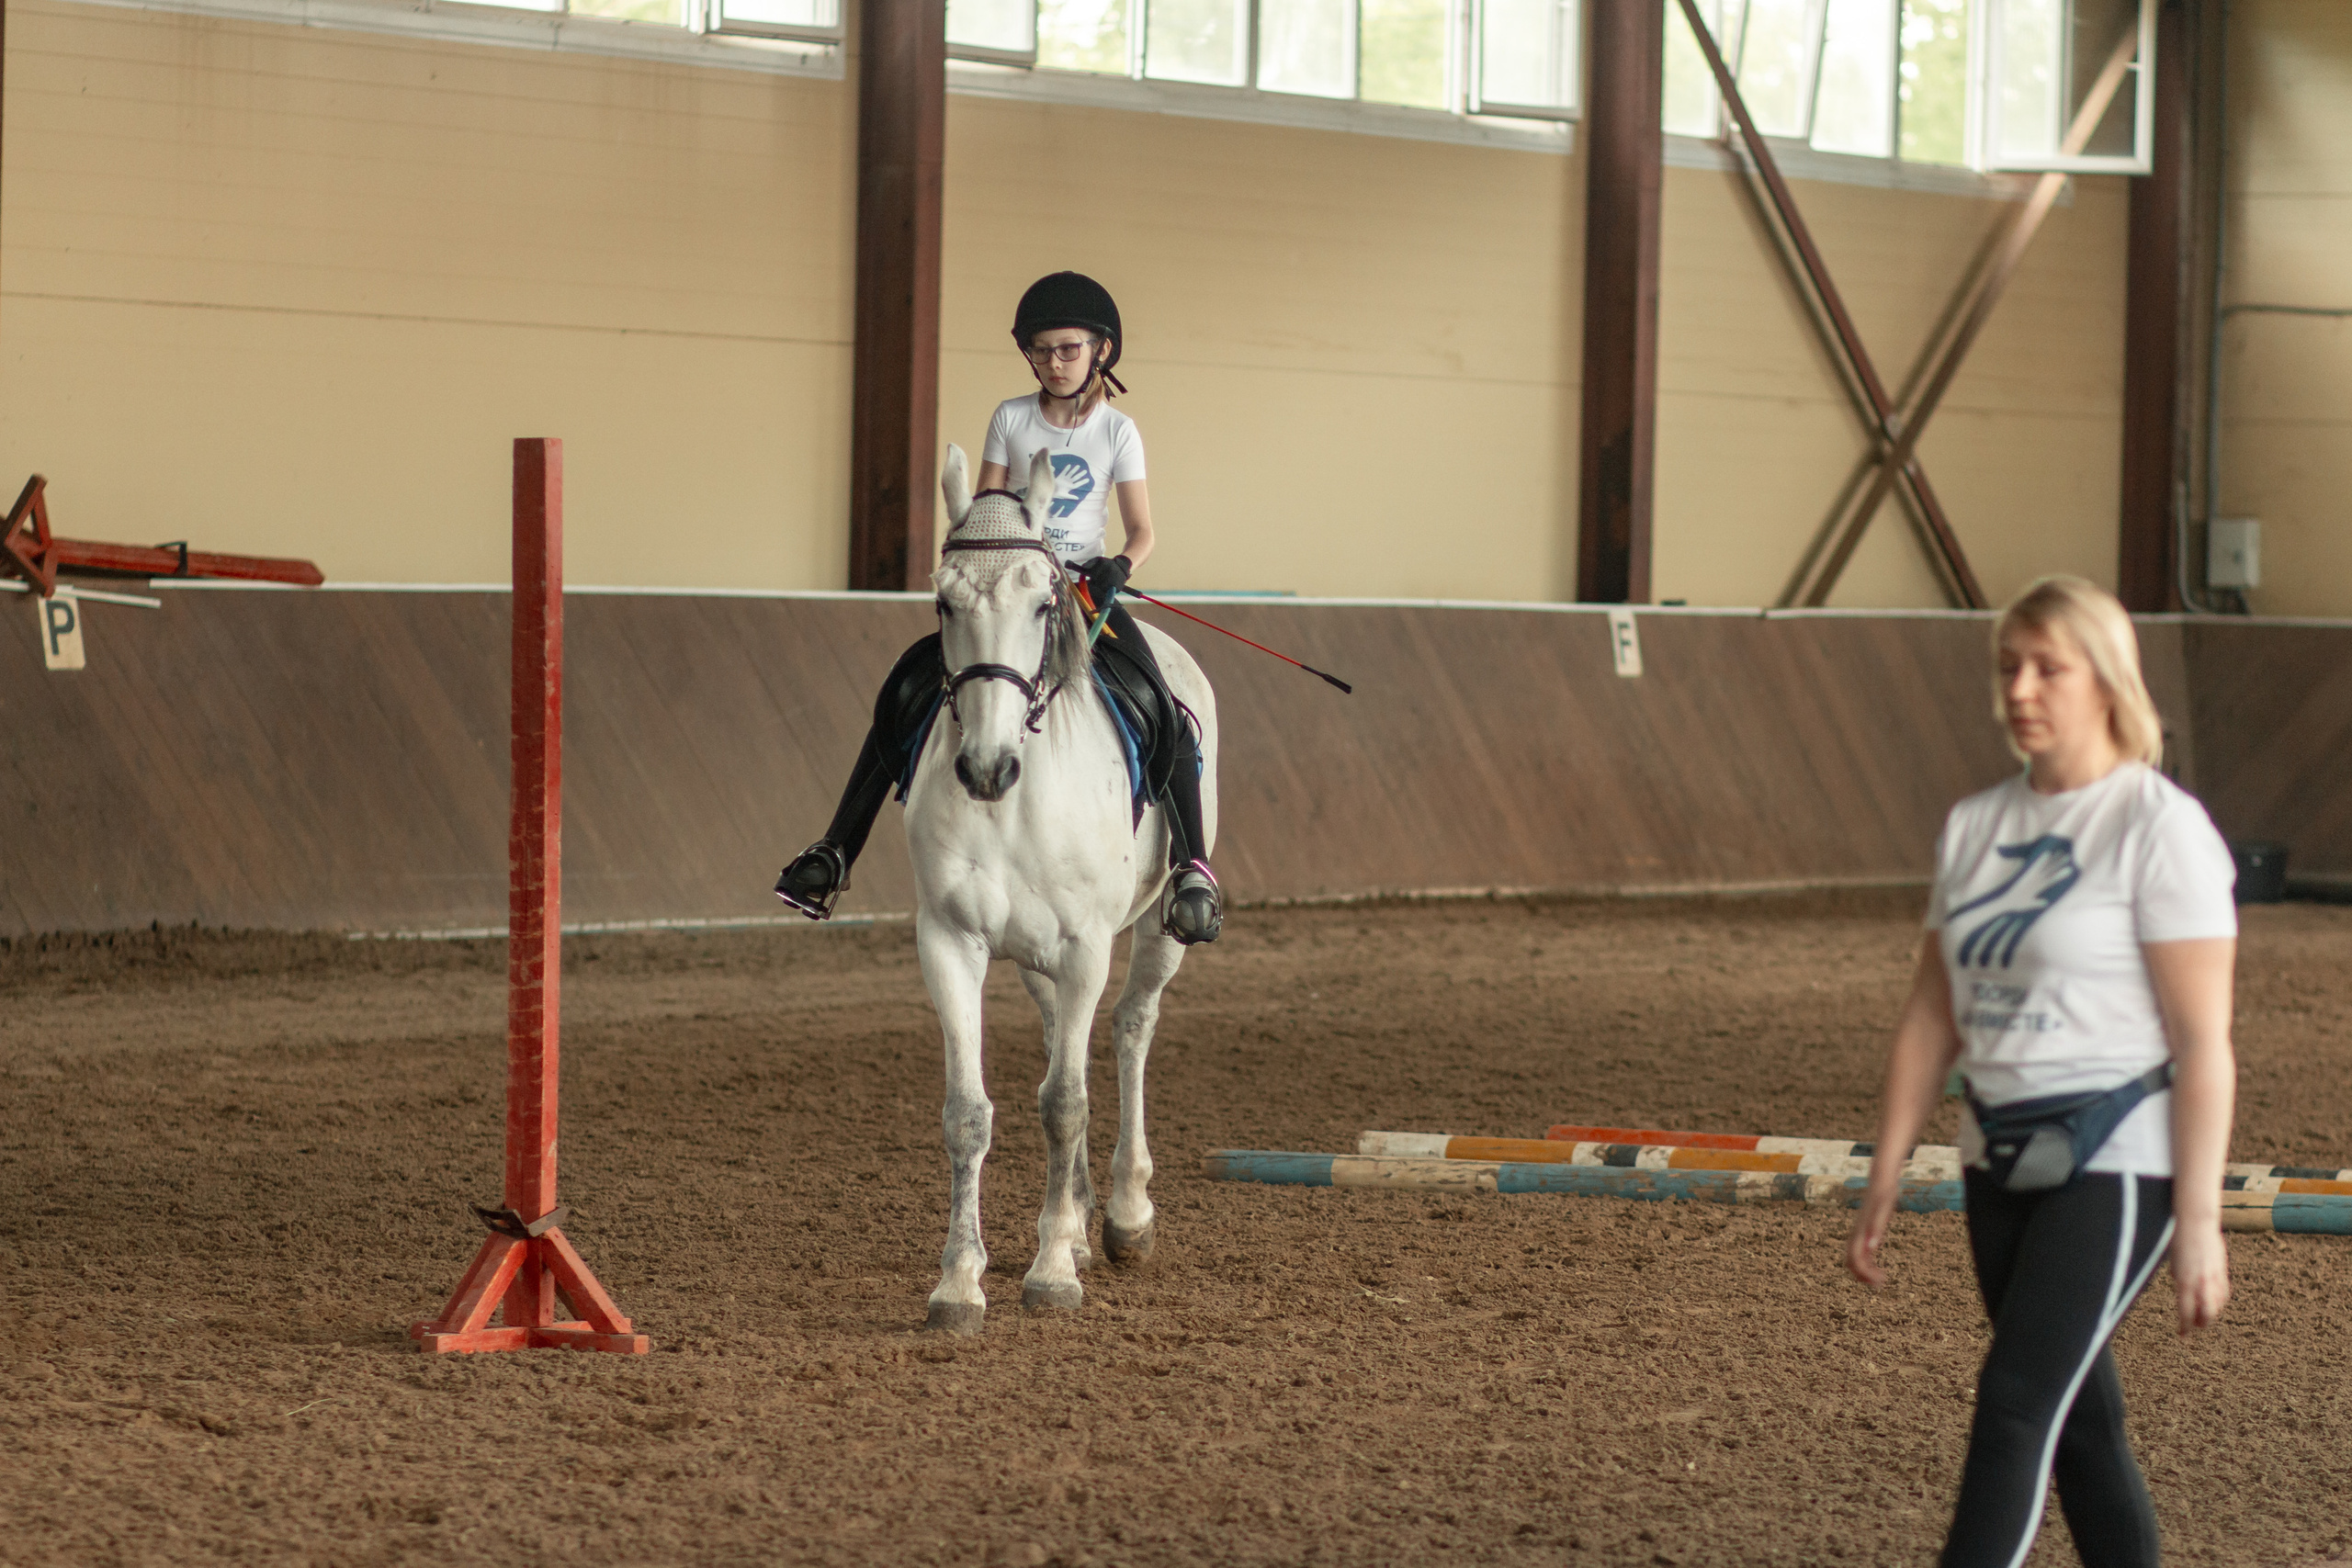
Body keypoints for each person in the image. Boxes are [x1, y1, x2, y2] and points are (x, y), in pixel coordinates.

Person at [1846, 576, 2237, 1568]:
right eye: (2007, 667)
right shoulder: (1974, 825)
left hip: (2119, 1162)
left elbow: (2203, 1044)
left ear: (2103, 682)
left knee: (2016, 1403)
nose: (2020, 688)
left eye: (2046, 668)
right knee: (2076, 1426)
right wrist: (1887, 1167)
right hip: (1995, 1154)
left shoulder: (2159, 828)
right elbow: (1931, 1012)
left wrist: (2196, 1222)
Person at [775, 271, 1222, 942]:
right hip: (1012, 588)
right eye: (1041, 350)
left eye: (1068, 348)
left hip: (1083, 593)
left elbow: (1143, 531)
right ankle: (834, 850)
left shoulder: (1118, 431)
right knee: (909, 684)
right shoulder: (1010, 418)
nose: (1053, 361)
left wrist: (1118, 566)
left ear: (1101, 350)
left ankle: (1191, 866)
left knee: (1162, 701)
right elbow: (986, 508)